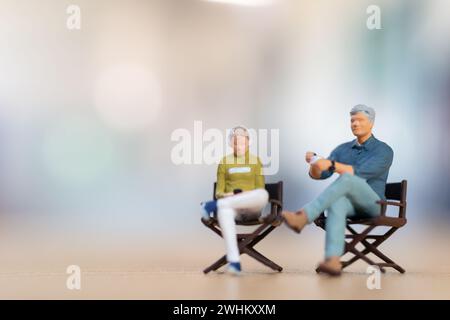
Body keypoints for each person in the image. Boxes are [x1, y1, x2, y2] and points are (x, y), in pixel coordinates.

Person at [282, 105, 394, 276]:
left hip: (374, 204)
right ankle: (333, 260)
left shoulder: (384, 151)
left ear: (371, 123)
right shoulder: (343, 149)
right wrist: (315, 164)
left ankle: (305, 215)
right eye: (352, 120)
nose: (355, 124)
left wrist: (332, 165)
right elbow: (320, 175)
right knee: (338, 202)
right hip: (351, 206)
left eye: (360, 120)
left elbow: (359, 174)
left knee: (348, 178)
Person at [201, 126, 268, 275]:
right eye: (236, 143)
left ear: (248, 142)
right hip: (233, 207)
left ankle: (211, 206)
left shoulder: (255, 161)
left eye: (243, 143)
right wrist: (229, 195)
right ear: (231, 144)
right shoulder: (225, 162)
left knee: (263, 194)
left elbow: (260, 188)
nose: (239, 147)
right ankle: (234, 262)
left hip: (252, 208)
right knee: (225, 211)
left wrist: (243, 194)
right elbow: (219, 191)